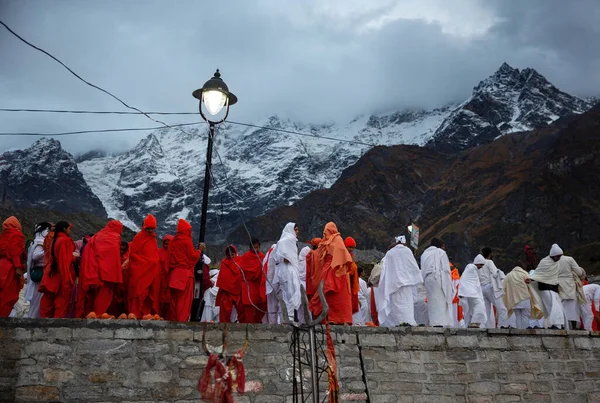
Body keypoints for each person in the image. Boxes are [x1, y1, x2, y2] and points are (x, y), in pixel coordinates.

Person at [309, 222, 353, 325]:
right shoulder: (327, 242)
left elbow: (342, 256)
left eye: (326, 231)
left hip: (336, 271)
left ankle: (339, 318)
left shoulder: (337, 240)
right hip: (330, 271)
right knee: (328, 296)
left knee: (336, 297)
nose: (325, 233)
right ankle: (329, 318)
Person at [81, 220, 124, 319]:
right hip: (108, 271)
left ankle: (92, 313)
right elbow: (113, 256)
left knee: (94, 294)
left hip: (94, 269)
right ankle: (100, 312)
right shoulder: (115, 237)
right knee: (105, 292)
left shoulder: (97, 236)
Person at [378, 236, 423, 327]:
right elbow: (413, 266)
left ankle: (397, 323)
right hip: (407, 284)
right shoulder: (407, 251)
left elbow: (385, 269)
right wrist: (414, 278)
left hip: (393, 284)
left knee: (396, 306)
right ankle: (408, 321)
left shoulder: (390, 253)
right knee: (407, 304)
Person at [39, 221, 78, 318]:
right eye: (69, 228)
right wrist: (74, 257)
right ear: (64, 229)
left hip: (51, 273)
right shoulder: (65, 240)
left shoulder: (53, 239)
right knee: (61, 302)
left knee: (47, 302)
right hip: (61, 275)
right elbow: (65, 260)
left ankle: (43, 324)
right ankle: (56, 327)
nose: (70, 230)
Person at [166, 219, 201, 322]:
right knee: (184, 302)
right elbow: (192, 256)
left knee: (174, 302)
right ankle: (181, 323)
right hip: (185, 275)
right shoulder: (186, 240)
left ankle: (174, 321)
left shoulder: (172, 241)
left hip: (173, 275)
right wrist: (199, 251)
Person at [127, 214, 161, 320]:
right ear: (144, 227)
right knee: (139, 292)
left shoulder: (153, 239)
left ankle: (145, 313)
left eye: (152, 228)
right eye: (148, 228)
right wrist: (145, 262)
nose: (150, 231)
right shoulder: (139, 237)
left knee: (149, 294)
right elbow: (133, 254)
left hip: (151, 271)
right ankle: (135, 313)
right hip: (141, 271)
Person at [270, 223, 302, 322]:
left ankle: (289, 318)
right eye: (295, 229)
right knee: (291, 294)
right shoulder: (287, 241)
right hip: (288, 271)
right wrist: (288, 257)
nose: (297, 231)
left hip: (286, 270)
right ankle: (290, 318)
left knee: (290, 295)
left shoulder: (283, 241)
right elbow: (285, 258)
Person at [529, 244, 566, 329]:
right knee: (551, 306)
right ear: (553, 255)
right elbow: (539, 274)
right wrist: (531, 279)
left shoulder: (557, 264)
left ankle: (558, 325)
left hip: (554, 288)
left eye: (560, 256)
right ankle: (554, 324)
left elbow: (554, 277)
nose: (559, 258)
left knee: (557, 307)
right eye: (557, 256)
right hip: (545, 288)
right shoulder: (545, 262)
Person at [420, 238, 454, 327]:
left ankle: (434, 322)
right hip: (438, 278)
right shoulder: (441, 253)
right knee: (441, 300)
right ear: (440, 245)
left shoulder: (424, 254)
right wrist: (449, 284)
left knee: (432, 301)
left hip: (427, 279)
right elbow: (446, 269)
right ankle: (441, 323)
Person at [553, 244, 586, 330]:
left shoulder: (552, 261)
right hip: (570, 286)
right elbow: (579, 272)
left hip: (557, 286)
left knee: (560, 308)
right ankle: (574, 328)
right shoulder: (569, 259)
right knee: (572, 309)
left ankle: (562, 326)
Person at [24, 222, 52, 318]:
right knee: (37, 300)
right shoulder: (40, 242)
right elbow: (35, 256)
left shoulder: (37, 241)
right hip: (40, 272)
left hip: (38, 272)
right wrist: (47, 251)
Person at [0, 216, 26, 317]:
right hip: (10, 267)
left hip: (2, 265)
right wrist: (18, 267)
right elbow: (14, 252)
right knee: (8, 295)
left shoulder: (3, 235)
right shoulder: (16, 235)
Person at [478, 247, 508, 328]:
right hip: (490, 287)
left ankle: (485, 328)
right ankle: (501, 327)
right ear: (490, 254)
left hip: (481, 288)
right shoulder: (489, 262)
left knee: (486, 311)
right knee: (502, 310)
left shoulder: (478, 263)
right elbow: (495, 273)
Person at [238, 238, 266, 324]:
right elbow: (241, 270)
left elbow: (265, 270)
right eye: (254, 247)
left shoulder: (262, 256)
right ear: (250, 247)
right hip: (248, 285)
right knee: (248, 307)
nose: (256, 250)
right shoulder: (245, 257)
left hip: (258, 285)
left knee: (260, 306)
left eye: (257, 247)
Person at [216, 245, 242, 323]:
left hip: (237, 290)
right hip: (227, 291)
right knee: (225, 312)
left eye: (232, 255)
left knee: (241, 310)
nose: (231, 257)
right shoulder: (224, 262)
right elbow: (223, 277)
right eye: (229, 255)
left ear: (235, 253)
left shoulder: (240, 261)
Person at [458, 261, 487, 328]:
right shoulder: (472, 268)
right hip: (472, 293)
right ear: (477, 262)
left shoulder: (473, 270)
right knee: (480, 305)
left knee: (470, 309)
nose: (481, 267)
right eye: (481, 264)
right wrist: (461, 292)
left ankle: (469, 323)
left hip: (470, 293)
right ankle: (474, 322)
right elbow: (464, 280)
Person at [344, 237, 361, 319]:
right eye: (350, 247)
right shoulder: (344, 255)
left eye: (352, 248)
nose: (351, 249)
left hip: (352, 283)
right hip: (347, 282)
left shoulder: (351, 256)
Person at [158, 234, 174, 317]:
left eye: (169, 243)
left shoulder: (175, 254)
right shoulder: (158, 252)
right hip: (160, 280)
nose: (167, 245)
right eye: (165, 243)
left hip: (169, 280)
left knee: (169, 301)